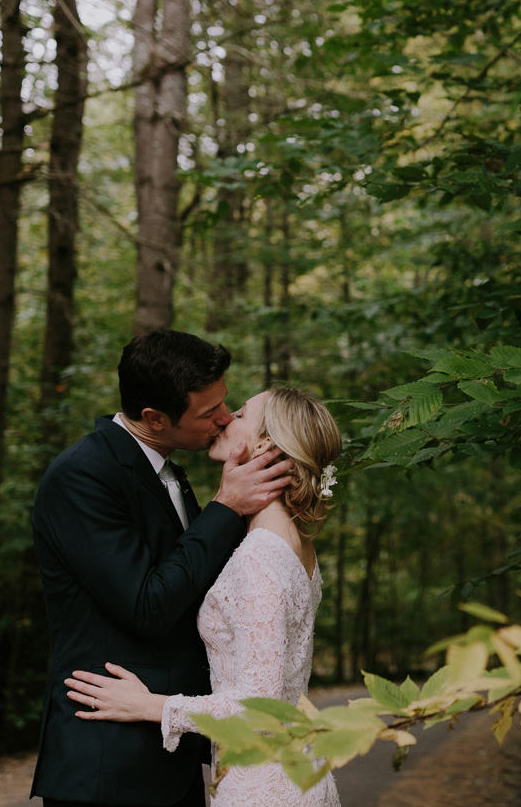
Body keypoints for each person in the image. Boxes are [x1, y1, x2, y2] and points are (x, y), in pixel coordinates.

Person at [31, 331, 292, 807]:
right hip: (110, 761)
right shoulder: (82, 476)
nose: (224, 418)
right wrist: (226, 506)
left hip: (170, 749)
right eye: (207, 412)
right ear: (154, 418)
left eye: (226, 402)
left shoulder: (171, 471)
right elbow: (147, 605)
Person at [62, 386, 344, 807]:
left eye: (243, 413)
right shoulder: (295, 544)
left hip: (261, 785)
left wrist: (151, 706)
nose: (228, 418)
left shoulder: (259, 556)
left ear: (264, 443)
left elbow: (260, 709)